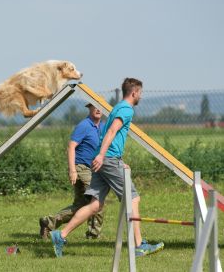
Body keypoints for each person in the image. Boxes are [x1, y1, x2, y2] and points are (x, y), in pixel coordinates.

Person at [50, 78, 164, 257]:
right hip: (106, 159)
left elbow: (109, 134)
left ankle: (60, 235)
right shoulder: (126, 110)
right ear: (134, 92)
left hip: (105, 158)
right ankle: (139, 245)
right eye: (140, 93)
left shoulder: (117, 107)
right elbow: (111, 132)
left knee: (95, 205)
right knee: (133, 199)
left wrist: (111, 157)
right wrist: (104, 156)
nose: (140, 96)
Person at [39, 104, 105, 239]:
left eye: (100, 107)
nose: (98, 109)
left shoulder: (103, 126)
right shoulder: (84, 125)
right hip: (81, 168)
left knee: (81, 205)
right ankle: (93, 234)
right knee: (97, 200)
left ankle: (49, 222)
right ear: (89, 108)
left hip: (92, 169)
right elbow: (71, 147)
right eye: (95, 106)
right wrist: (72, 170)